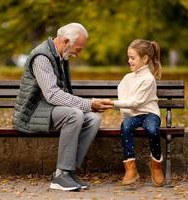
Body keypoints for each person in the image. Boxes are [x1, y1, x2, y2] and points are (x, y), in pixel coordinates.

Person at [12, 23, 112, 191]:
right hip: (33, 113)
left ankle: (68, 172)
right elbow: (52, 94)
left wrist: (90, 106)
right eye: (78, 49)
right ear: (65, 41)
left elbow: (61, 94)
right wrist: (88, 104)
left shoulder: (60, 55)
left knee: (93, 119)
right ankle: (61, 176)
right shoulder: (42, 56)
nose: (78, 54)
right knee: (74, 115)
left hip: (50, 110)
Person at [112, 39, 164, 187]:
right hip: (133, 115)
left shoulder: (148, 79)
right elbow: (125, 100)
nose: (129, 61)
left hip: (149, 113)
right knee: (126, 127)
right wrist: (125, 116)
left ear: (145, 59)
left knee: (152, 129)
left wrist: (111, 103)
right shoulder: (127, 78)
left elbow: (136, 102)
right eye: (128, 57)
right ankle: (131, 169)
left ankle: (156, 164)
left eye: (132, 58)